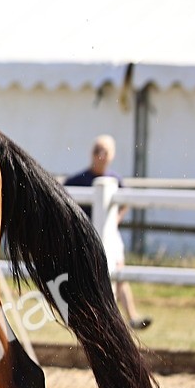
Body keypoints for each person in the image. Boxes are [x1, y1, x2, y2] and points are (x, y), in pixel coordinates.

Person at [64, 134, 153, 330]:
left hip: (110, 238)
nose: (100, 155)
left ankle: (131, 317)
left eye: (105, 151)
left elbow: (125, 201)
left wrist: (114, 221)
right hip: (86, 239)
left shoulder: (115, 180)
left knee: (119, 273)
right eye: (97, 150)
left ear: (111, 155)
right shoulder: (79, 180)